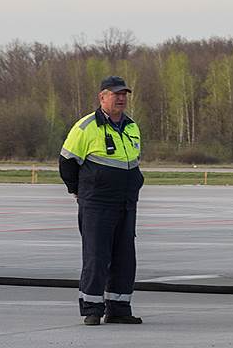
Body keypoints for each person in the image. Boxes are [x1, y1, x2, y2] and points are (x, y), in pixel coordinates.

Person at [59, 76, 145, 326]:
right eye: (116, 94)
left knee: (124, 258)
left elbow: (132, 162)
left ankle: (119, 308)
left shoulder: (131, 126)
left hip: (126, 203)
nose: (121, 98)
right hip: (97, 203)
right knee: (96, 257)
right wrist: (77, 190)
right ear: (102, 97)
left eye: (124, 94)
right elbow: (66, 162)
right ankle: (92, 308)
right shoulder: (86, 127)